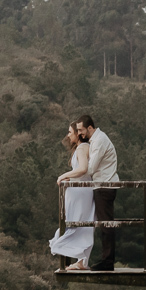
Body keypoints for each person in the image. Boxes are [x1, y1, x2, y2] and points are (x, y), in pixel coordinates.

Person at [49, 122, 95, 271]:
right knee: (80, 223)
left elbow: (82, 169)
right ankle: (81, 260)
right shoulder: (83, 148)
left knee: (79, 224)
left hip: (81, 193)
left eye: (70, 132)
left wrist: (63, 176)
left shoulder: (82, 148)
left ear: (78, 133)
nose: (68, 135)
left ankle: (80, 261)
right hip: (79, 192)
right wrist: (71, 179)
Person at [76, 114, 119, 271]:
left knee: (106, 225)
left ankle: (107, 262)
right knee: (104, 224)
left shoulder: (99, 141)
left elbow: (91, 168)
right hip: (102, 186)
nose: (80, 133)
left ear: (89, 128)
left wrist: (79, 164)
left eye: (81, 130)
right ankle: (105, 260)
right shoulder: (96, 140)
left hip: (104, 187)